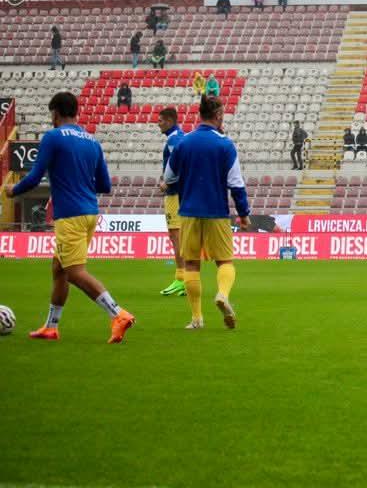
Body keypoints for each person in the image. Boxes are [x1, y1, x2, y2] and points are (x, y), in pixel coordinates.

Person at [3, 92, 135, 343]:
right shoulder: (92, 141)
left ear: (55, 113)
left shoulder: (53, 137)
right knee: (59, 268)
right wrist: (80, 181)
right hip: (90, 213)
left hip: (69, 214)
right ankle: (51, 327)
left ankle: (118, 314)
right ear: (76, 112)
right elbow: (105, 185)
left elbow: (34, 177)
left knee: (74, 272)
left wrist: (13, 190)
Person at [163, 95, 251, 330]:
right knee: (225, 261)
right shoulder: (225, 145)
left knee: (191, 265)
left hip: (188, 211)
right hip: (217, 212)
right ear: (218, 115)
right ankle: (222, 294)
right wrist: (243, 213)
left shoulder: (184, 143)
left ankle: (196, 318)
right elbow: (236, 183)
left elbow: (169, 176)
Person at [157, 108, 188, 297]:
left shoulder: (174, 139)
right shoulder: (179, 136)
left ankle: (181, 279)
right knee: (179, 236)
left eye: (160, 120)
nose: (158, 123)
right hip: (179, 193)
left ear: (169, 121)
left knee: (176, 236)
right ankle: (185, 279)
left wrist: (167, 182)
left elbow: (180, 163)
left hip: (175, 194)